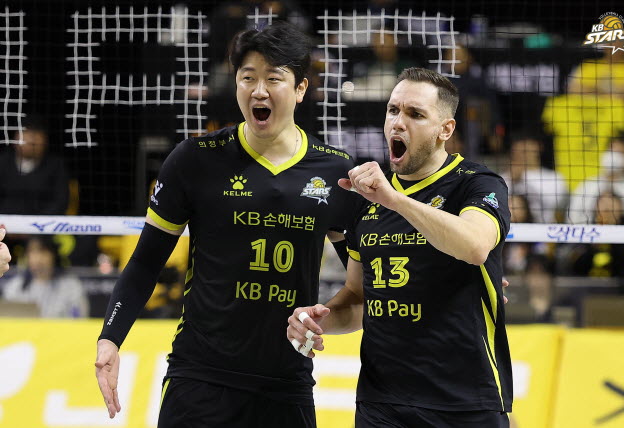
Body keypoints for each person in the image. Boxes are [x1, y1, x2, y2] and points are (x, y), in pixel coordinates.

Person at [94, 22, 354, 428]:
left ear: (301, 88)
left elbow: (364, 284)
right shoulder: (195, 159)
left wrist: (327, 318)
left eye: (273, 78)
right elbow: (145, 263)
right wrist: (111, 338)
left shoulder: (335, 171)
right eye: (248, 78)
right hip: (199, 378)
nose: (258, 90)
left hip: (286, 383)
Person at [288, 68, 512, 427]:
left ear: (445, 130)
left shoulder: (476, 183)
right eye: (393, 110)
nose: (398, 122)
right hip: (382, 402)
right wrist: (320, 320)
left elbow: (475, 246)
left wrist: (395, 201)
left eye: (415, 114)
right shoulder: (366, 199)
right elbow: (358, 297)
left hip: (465, 401)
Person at [566, 136, 624, 225]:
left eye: (620, 153)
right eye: (611, 150)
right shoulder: (586, 186)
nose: (613, 156)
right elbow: (571, 220)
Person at [2, 235, 88, 318]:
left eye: (42, 251)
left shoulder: (71, 286)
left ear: (53, 254)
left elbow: (78, 319)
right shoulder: (16, 285)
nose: (37, 257)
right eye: (31, 251)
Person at [0, 115, 69, 215]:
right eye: (26, 134)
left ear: (45, 140)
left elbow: (61, 201)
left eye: (37, 135)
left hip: (42, 222)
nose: (32, 141)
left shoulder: (56, 166)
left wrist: (37, 222)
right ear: (16, 137)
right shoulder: (3, 162)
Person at [500, 133, 568, 223]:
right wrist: (512, 182)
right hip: (513, 227)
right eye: (518, 146)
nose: (521, 149)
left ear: (538, 147)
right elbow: (497, 205)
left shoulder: (554, 177)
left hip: (544, 227)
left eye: (526, 144)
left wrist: (523, 180)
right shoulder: (503, 178)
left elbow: (552, 205)